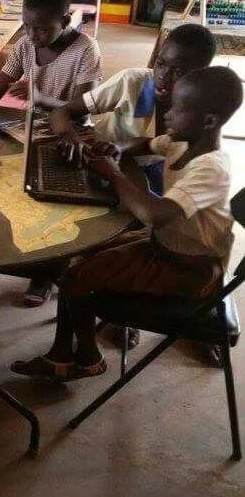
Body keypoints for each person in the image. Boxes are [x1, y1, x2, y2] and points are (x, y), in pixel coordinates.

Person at [12, 66, 243, 380]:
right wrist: (117, 148)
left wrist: (113, 173)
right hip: (166, 246)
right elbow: (143, 143)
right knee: (78, 256)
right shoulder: (183, 141)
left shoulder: (211, 168)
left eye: (178, 109)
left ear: (209, 121)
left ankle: (88, 359)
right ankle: (63, 355)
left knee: (75, 279)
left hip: (189, 270)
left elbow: (154, 214)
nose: (169, 115)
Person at [0, 0, 101, 307]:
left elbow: (79, 111)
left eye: (42, 29)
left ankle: (48, 272)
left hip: (72, 135)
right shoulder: (25, 45)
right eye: (27, 26)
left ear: (65, 21)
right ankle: (20, 254)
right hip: (32, 129)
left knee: (51, 199)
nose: (32, 36)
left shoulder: (85, 51)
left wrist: (39, 97)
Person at [49, 22, 217, 194]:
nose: (163, 76)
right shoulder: (131, 82)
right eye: (160, 63)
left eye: (179, 72)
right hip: (101, 161)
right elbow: (62, 112)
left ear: (201, 76)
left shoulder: (202, 117)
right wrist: (70, 136)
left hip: (150, 176)